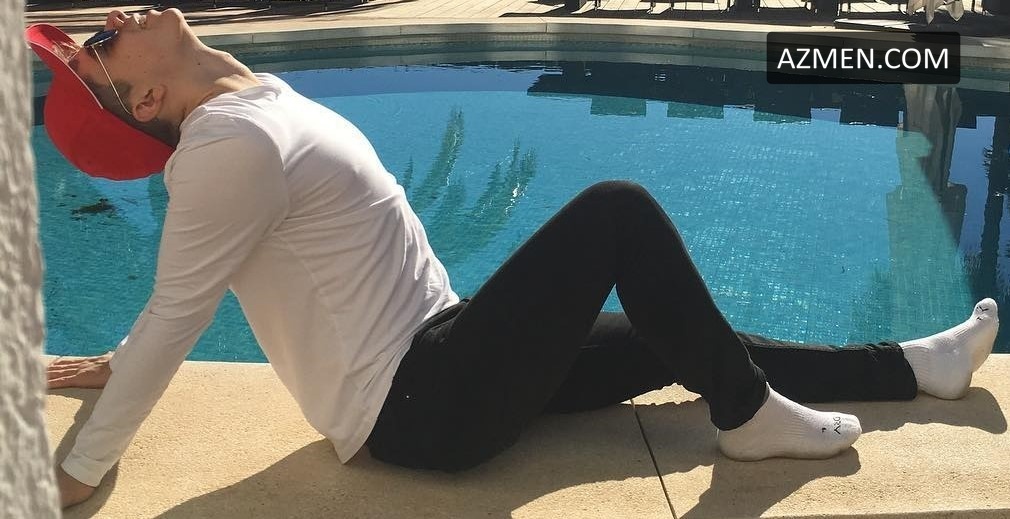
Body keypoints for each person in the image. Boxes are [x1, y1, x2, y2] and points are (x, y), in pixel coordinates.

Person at [28, 10, 1000, 510]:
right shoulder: (222, 147)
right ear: (144, 102)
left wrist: (112, 358)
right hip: (417, 406)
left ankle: (912, 367)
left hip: (449, 352)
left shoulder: (253, 104)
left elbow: (183, 290)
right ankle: (746, 420)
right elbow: (180, 309)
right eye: (105, 42)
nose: (119, 18)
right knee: (616, 212)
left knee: (677, 333)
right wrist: (80, 466)